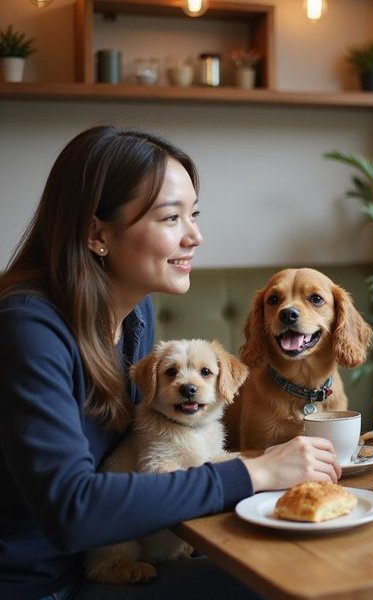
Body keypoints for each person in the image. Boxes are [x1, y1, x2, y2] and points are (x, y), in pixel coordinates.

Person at [0, 126, 341, 600]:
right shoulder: (28, 331)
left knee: (318, 570)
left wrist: (260, 460)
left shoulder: (134, 310)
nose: (195, 236)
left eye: (194, 215)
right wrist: (253, 474)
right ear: (97, 234)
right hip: (45, 583)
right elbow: (71, 508)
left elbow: (146, 447)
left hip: (121, 553)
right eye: (170, 218)